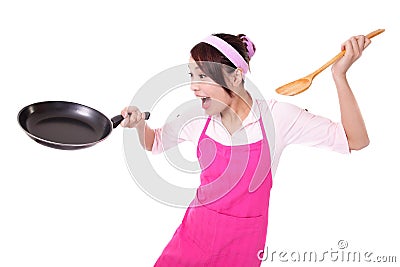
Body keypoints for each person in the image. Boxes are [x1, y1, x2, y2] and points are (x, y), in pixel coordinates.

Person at [120, 33, 371, 266]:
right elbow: (154, 143)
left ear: (236, 76)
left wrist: (340, 76)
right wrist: (140, 124)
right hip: (193, 238)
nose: (193, 87)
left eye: (203, 76)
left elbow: (354, 140)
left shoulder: (277, 118)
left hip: (241, 249)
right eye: (192, 76)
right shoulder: (195, 118)